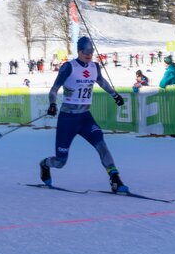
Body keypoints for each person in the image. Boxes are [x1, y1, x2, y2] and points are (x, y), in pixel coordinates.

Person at [39, 36, 129, 193]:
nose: (89, 54)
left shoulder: (95, 66)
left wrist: (115, 95)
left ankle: (116, 179)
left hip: (85, 117)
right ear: (79, 51)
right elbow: (54, 89)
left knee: (101, 145)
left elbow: (102, 82)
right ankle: (45, 164)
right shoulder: (69, 67)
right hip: (68, 119)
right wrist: (52, 104)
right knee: (61, 161)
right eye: (85, 51)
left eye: (91, 51)